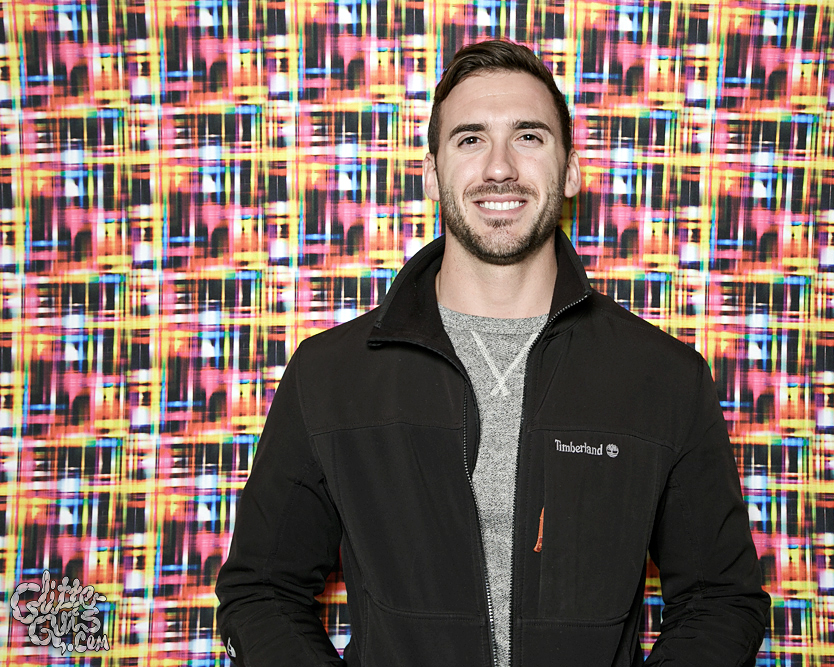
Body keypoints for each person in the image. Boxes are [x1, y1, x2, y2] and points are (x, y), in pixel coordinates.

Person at [215, 39, 770, 666]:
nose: (499, 167)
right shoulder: (331, 376)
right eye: (470, 138)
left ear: (570, 171)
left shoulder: (663, 378)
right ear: (432, 174)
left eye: (528, 137)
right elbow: (261, 592)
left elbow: (722, 601)